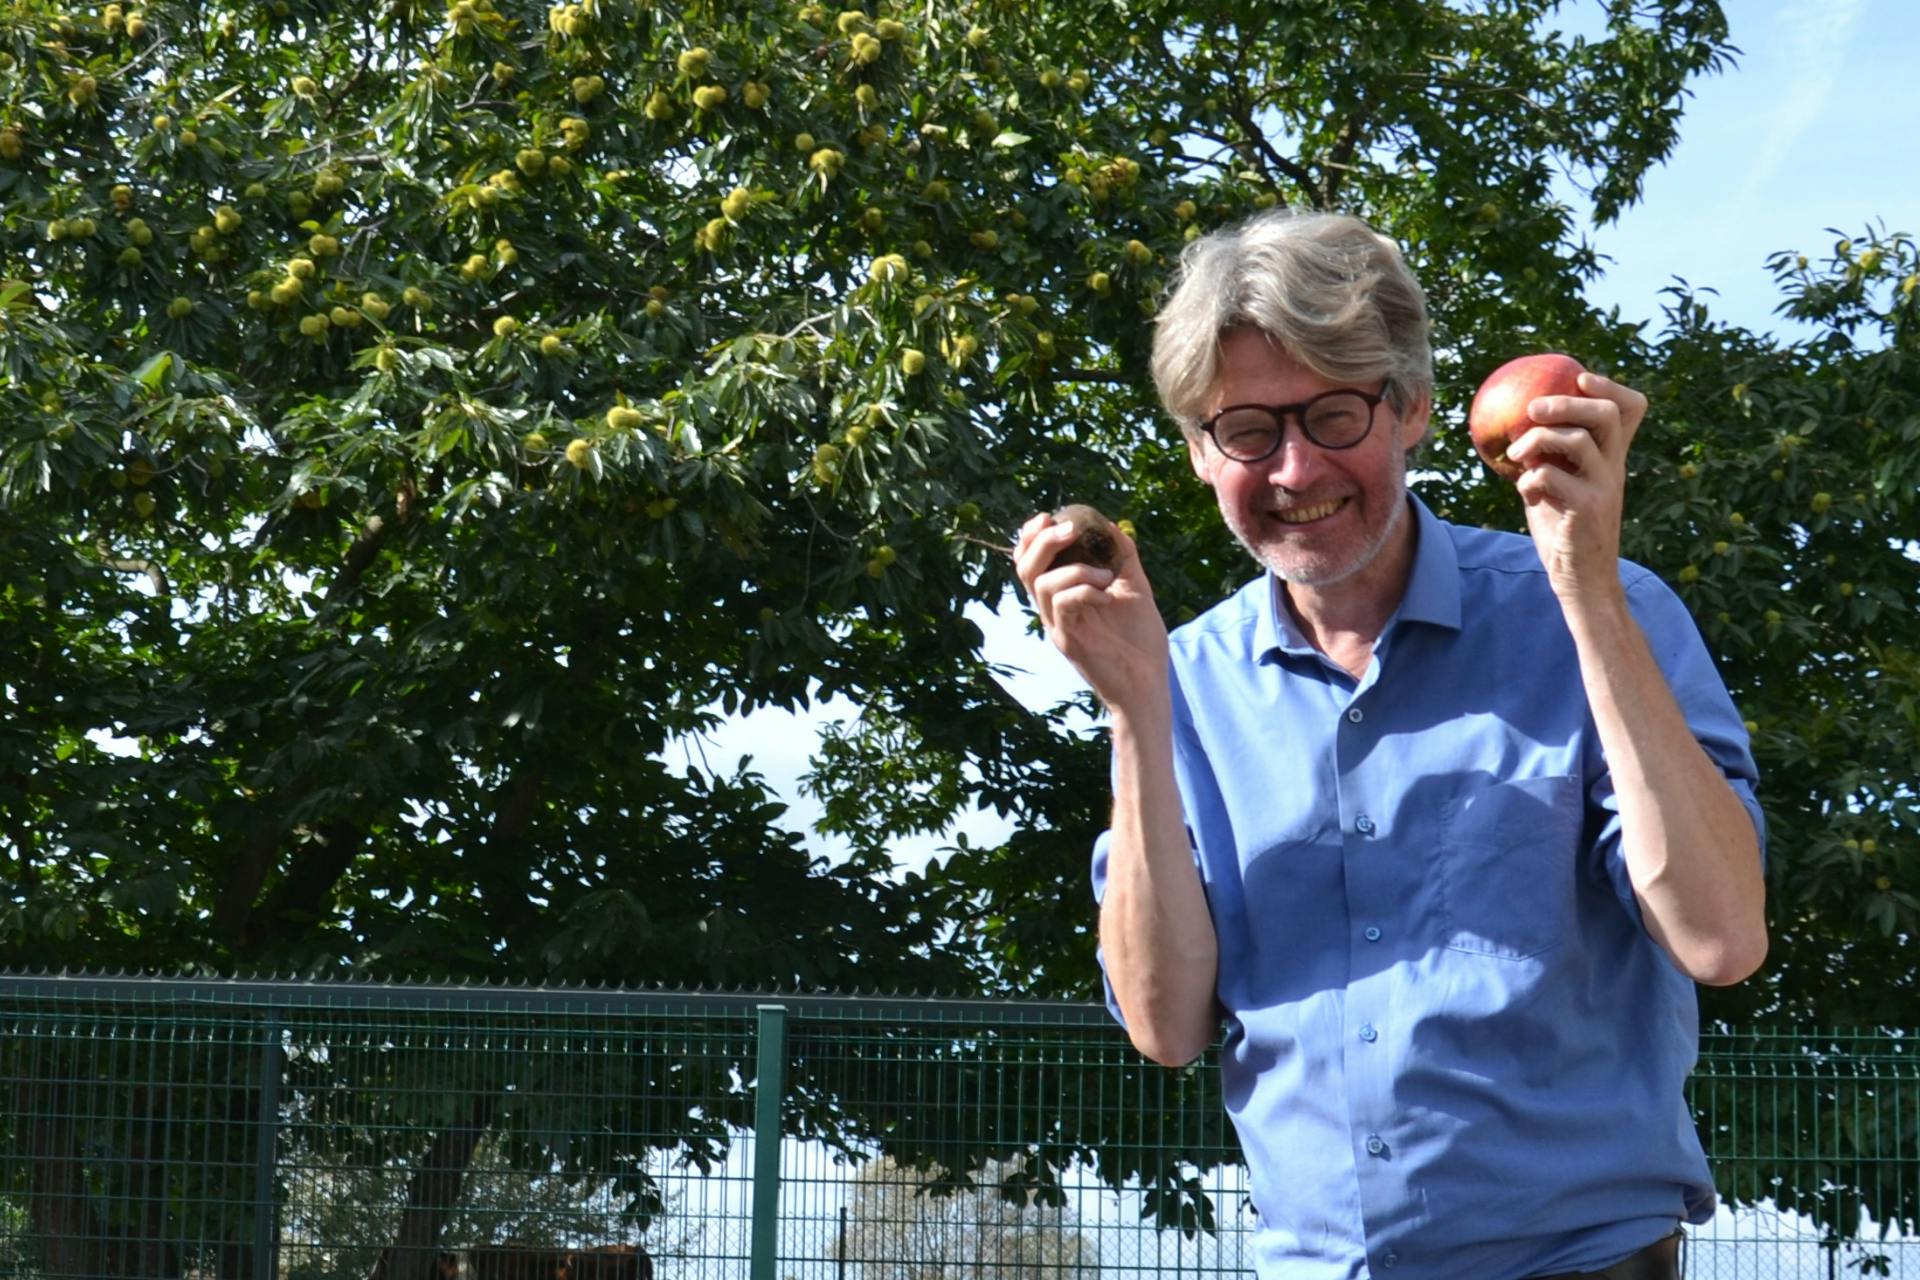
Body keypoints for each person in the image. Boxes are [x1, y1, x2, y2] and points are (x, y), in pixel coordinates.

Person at [1013, 209, 1766, 1280]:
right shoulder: (1185, 681)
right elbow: (1165, 1022)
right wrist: (1136, 709)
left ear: (1411, 407)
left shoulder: (1601, 613)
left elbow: (1722, 936)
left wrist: (1588, 586)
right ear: (1196, 450)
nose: (1293, 468)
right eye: (1246, 432)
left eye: (1332, 413)